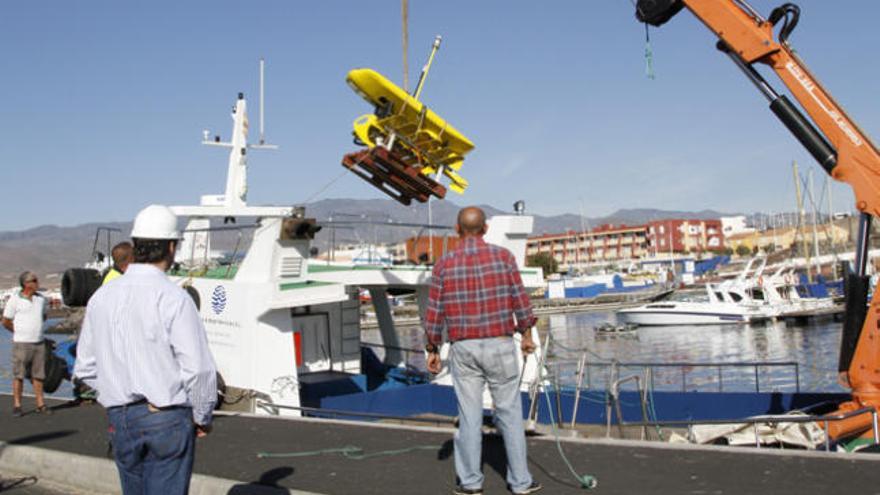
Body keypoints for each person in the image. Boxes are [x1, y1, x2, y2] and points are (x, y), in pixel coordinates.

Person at [74, 205, 217, 495]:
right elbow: (198, 368)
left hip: (121, 418)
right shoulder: (174, 297)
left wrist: (115, 396)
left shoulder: (101, 298)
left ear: (136, 244)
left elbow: (85, 367)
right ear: (172, 247)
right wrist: (202, 416)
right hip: (166, 415)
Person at [423, 206, 541, 495]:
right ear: (485, 228)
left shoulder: (443, 265)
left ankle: (471, 483)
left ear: (457, 229)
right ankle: (520, 482)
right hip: (501, 344)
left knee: (469, 416)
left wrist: (432, 348)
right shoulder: (503, 257)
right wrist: (526, 333)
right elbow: (520, 300)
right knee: (510, 415)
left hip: (464, 348)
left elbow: (434, 312)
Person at [2, 271, 49, 417]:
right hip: (21, 343)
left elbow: (44, 316)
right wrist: (19, 332)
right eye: (34, 281)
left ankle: (40, 404)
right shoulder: (15, 300)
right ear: (26, 284)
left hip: (38, 342)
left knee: (38, 375)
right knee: (19, 375)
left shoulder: (41, 300)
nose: (37, 283)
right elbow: (6, 321)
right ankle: (17, 405)